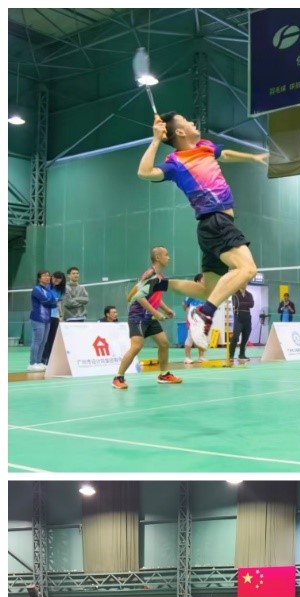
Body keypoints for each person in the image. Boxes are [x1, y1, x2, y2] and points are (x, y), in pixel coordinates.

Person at [131, 113, 266, 325]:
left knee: (207, 290)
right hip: (216, 222)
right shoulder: (175, 163)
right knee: (247, 269)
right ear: (180, 131)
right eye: (187, 121)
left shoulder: (205, 146)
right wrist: (156, 139)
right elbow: (144, 172)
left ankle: (157, 284)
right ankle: (205, 313)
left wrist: (253, 158)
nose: (193, 122)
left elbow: (224, 154)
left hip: (211, 227)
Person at [111, 246, 181, 390]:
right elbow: (140, 297)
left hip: (149, 316)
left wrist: (166, 309)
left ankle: (164, 374)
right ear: (158, 258)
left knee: (164, 343)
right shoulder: (150, 274)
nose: (169, 257)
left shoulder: (160, 277)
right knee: (136, 346)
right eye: (166, 254)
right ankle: (118, 377)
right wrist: (156, 313)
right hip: (138, 316)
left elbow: (155, 297)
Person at [28, 270, 58, 371]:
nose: (47, 277)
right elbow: (45, 301)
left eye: (48, 275)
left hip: (47, 318)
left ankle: (39, 362)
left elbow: (54, 303)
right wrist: (52, 302)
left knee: (44, 341)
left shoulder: (48, 290)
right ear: (39, 278)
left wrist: (52, 302)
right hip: (37, 318)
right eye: (44, 275)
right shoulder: (36, 289)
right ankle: (32, 363)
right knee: (37, 340)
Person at [182, 277, 209, 365]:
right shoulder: (192, 292)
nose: (205, 281)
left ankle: (201, 357)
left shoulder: (205, 293)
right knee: (190, 337)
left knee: (201, 336)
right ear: (197, 281)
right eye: (203, 279)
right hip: (193, 317)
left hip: (202, 317)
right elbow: (184, 304)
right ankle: (187, 358)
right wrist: (189, 314)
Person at [41, 271, 66, 366]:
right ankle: (41, 360)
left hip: (55, 317)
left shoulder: (59, 290)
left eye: (59, 280)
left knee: (51, 339)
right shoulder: (46, 287)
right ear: (52, 277)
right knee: (44, 339)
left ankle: (47, 360)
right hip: (45, 316)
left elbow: (59, 304)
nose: (56, 281)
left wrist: (61, 315)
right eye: (55, 279)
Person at [231, 286, 254, 363]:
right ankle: (231, 355)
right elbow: (236, 304)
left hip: (247, 319)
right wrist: (246, 303)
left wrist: (242, 303)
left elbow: (252, 304)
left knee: (245, 338)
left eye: (245, 283)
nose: (244, 284)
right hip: (238, 318)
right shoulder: (235, 294)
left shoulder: (249, 294)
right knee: (235, 337)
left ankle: (242, 354)